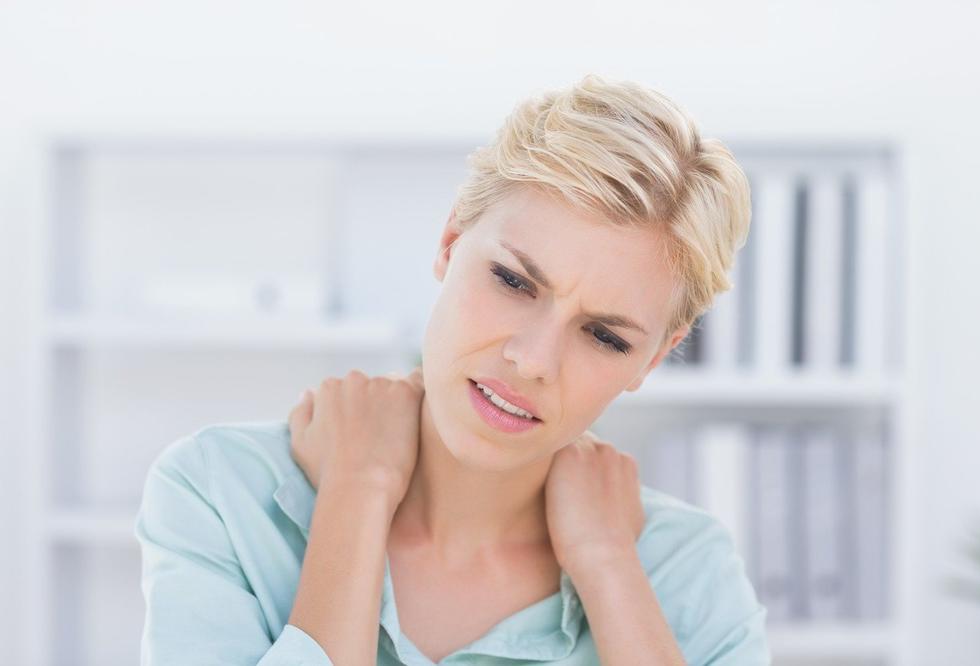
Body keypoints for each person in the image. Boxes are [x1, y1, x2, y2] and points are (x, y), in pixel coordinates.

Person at [134, 73, 770, 665]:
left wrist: (608, 565)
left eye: (603, 336)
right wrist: (356, 494)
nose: (532, 360)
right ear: (450, 241)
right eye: (513, 281)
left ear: (651, 358)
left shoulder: (689, 570)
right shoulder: (220, 492)